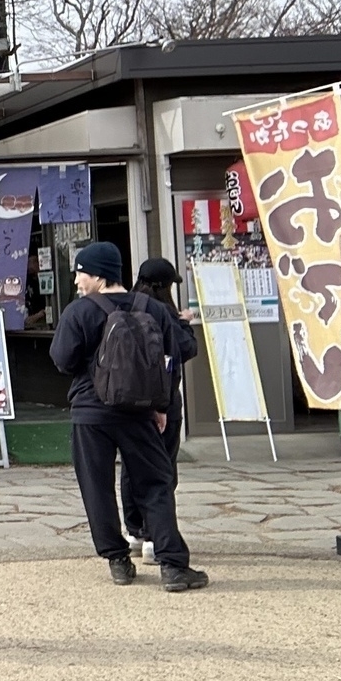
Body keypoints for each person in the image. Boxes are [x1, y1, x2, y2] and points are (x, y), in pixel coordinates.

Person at [51, 240, 209, 592]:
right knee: (155, 485)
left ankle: (118, 560)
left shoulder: (80, 312)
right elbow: (172, 361)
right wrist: (163, 407)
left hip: (90, 414)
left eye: (81, 273)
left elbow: (62, 360)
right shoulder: (153, 309)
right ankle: (173, 566)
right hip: (139, 413)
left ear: (98, 275)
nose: (77, 281)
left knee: (97, 487)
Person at [123, 257, 199, 552]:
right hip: (164, 401)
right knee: (163, 470)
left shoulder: (123, 306)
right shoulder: (164, 312)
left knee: (131, 467)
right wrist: (185, 324)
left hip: (128, 401)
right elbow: (184, 350)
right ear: (163, 286)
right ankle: (157, 537)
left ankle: (134, 530)